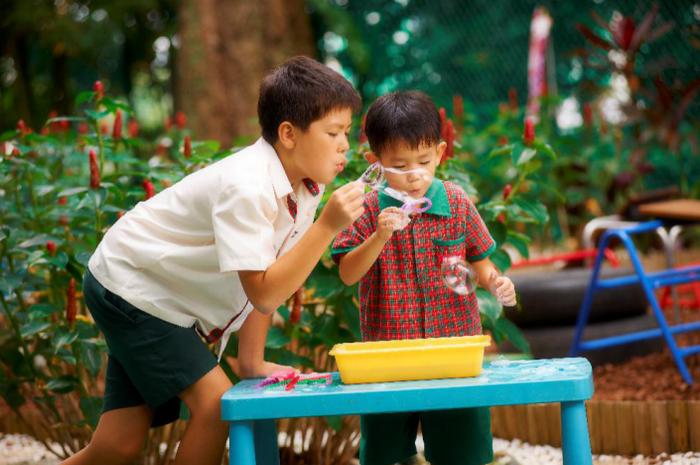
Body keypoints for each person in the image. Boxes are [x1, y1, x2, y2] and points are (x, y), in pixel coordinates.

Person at [64, 56, 364, 465]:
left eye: (346, 132)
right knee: (215, 404)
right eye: (333, 132)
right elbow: (263, 290)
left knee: (118, 446)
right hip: (131, 286)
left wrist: (253, 362)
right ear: (289, 134)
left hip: (144, 287)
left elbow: (269, 273)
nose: (345, 145)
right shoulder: (248, 187)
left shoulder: (303, 189)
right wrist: (327, 228)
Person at [332, 90, 517, 465]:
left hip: (453, 353)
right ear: (375, 161)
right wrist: (380, 236)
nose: (414, 176)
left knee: (462, 449)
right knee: (385, 452)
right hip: (387, 355)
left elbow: (482, 266)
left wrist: (497, 281)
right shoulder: (368, 208)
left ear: (441, 152)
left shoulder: (457, 202)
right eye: (399, 166)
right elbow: (349, 274)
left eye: (424, 161)